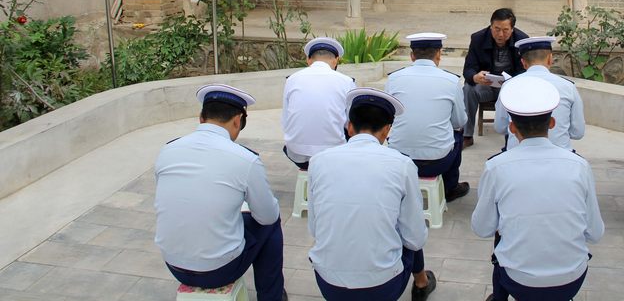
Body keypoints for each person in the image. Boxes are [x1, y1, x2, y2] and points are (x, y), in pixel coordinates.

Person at [471, 77, 604, 301]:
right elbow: (595, 233)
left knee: (501, 237)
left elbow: (482, 228)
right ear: (552, 123)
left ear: (512, 128)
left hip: (519, 281)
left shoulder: (496, 167)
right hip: (570, 281)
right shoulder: (579, 166)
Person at [154, 84, 287, 301]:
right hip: (219, 270)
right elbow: (267, 216)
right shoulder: (245, 159)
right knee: (270, 223)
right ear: (238, 121)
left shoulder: (167, 150)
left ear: (201, 118)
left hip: (174, 264)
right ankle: (271, 297)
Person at [308, 87, 437, 301]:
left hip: (329, 284)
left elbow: (314, 228)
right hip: (382, 287)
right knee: (409, 229)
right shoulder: (402, 165)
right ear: (387, 130)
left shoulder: (318, 161)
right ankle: (421, 283)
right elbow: (415, 239)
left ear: (350, 127)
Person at [387, 32, 470, 201]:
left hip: (400, 159)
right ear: (439, 54)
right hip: (438, 162)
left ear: (412, 56)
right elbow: (459, 121)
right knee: (458, 132)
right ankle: (450, 187)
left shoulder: (394, 79)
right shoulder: (451, 80)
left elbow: (389, 116)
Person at [494, 36, 585, 151]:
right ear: (550, 59)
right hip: (559, 155)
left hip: (517, 154)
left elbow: (500, 127)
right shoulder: (568, 86)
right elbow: (577, 132)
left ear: (523, 62)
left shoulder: (508, 85)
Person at [282, 36, 355, 169]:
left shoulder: (292, 79)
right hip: (333, 152)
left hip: (297, 152)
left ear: (308, 60)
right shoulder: (346, 81)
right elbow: (351, 123)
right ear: (336, 60)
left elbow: (286, 119)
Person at [462, 7, 529, 147]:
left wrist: (512, 81)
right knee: (468, 89)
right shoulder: (478, 38)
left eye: (505, 30)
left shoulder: (522, 40)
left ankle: (516, 135)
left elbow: (525, 71)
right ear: (491, 26)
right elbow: (468, 68)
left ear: (512, 29)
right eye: (496, 29)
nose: (500, 34)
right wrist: (475, 77)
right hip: (486, 85)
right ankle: (466, 135)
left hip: (510, 88)